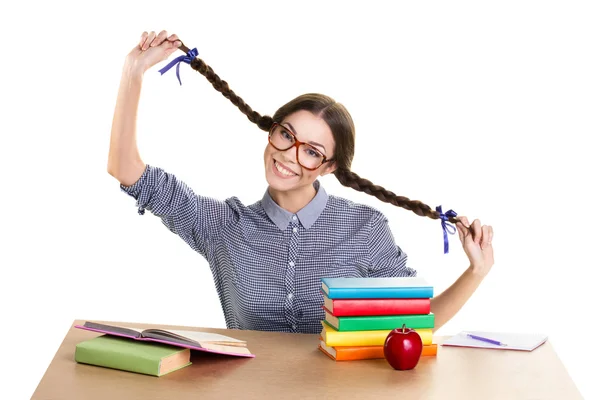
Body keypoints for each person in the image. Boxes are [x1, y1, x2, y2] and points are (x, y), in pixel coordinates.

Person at [108, 30, 495, 335]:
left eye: (311, 151)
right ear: (270, 133)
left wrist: (476, 272)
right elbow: (126, 168)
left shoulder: (366, 228)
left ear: (329, 168)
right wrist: (133, 72)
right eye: (285, 134)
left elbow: (418, 318)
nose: (289, 155)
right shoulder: (223, 225)